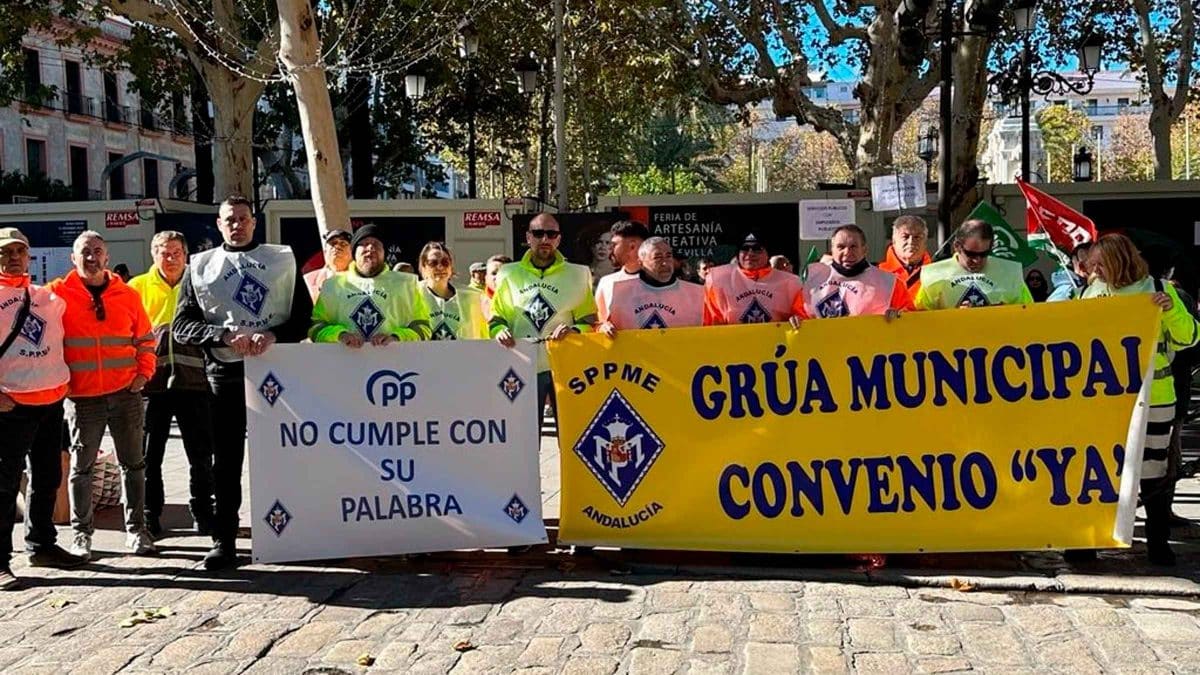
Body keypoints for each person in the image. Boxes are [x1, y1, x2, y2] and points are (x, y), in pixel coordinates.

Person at [173, 194, 312, 570]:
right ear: (219, 225)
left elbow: (303, 317)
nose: (236, 224)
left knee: (283, 456)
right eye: (229, 219)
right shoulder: (200, 267)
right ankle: (225, 540)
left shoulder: (281, 260)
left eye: (243, 218)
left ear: (254, 222)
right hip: (225, 374)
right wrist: (221, 335)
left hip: (277, 374)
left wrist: (275, 335)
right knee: (226, 462)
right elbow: (182, 325)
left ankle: (292, 534)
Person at [1082, 234, 1200, 565]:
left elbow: (1189, 337)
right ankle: (1087, 540)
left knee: (1152, 470)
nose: (1095, 269)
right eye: (1093, 264)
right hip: (1104, 398)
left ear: (1121, 260)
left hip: (1155, 397)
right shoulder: (1092, 291)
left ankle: (1157, 542)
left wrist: (1169, 312)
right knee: (1100, 469)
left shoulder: (1160, 289)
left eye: (1101, 263)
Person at [49, 231, 157, 559]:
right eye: (85, 252)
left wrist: (143, 374)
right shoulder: (57, 295)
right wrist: (61, 383)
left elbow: (145, 339)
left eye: (98, 251)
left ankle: (137, 530)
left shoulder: (127, 295)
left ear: (107, 258)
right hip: (82, 399)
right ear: (73, 258)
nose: (92, 257)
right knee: (82, 469)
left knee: (133, 465)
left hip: (126, 393)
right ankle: (82, 535)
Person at [0, 228, 88, 589]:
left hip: (51, 402)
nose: (13, 257)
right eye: (5, 252)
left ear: (29, 255)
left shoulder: (47, 297)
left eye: (19, 251)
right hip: (10, 405)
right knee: (3, 488)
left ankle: (42, 544)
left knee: (48, 477)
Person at [127, 231, 214, 537]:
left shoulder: (201, 285)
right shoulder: (136, 288)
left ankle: (204, 512)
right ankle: (150, 514)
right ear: (154, 255)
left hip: (195, 385)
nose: (171, 258)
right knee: (149, 457)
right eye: (165, 252)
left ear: (186, 255)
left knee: (201, 456)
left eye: (177, 252)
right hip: (152, 388)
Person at [491, 213, 597, 420]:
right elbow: (497, 318)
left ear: (559, 238)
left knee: (570, 433)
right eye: (538, 234)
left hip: (564, 367)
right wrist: (499, 331)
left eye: (551, 234)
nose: (545, 239)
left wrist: (574, 331)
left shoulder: (579, 274)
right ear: (528, 237)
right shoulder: (508, 273)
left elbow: (590, 321)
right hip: (521, 364)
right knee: (523, 436)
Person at [311, 225, 432, 345]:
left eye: (376, 244)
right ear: (354, 253)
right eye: (363, 243)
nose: (370, 248)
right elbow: (316, 327)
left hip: (393, 361)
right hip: (345, 361)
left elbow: (423, 327)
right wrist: (340, 335)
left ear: (384, 253)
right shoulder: (333, 285)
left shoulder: (406, 284)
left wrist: (396, 337)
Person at [799, 225, 913, 321]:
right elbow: (798, 314)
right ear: (832, 249)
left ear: (864, 250)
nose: (847, 253)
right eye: (841, 247)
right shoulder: (814, 278)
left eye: (853, 247)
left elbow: (911, 316)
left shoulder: (889, 283)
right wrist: (795, 319)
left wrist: (898, 316)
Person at [914, 220, 1034, 310]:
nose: (977, 260)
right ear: (957, 246)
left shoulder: (1010, 273)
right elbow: (919, 318)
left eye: (984, 254)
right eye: (971, 254)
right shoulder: (934, 275)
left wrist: (1001, 312)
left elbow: (1028, 313)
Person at [598, 237, 704, 336]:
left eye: (668, 256)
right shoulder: (619, 292)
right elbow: (598, 325)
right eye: (657, 257)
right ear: (641, 263)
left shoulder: (698, 294)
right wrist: (603, 328)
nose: (665, 263)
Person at [702, 233, 804, 325]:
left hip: (776, 343)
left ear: (767, 253)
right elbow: (710, 322)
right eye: (745, 248)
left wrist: (798, 320)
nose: (750, 253)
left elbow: (804, 317)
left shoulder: (790, 282)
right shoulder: (719, 280)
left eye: (757, 248)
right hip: (733, 343)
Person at [418, 243, 487, 341]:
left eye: (445, 262)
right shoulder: (413, 293)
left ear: (451, 267)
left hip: (463, 354)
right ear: (424, 267)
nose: (440, 267)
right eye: (433, 263)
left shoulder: (472, 297)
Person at [594, 220, 650, 324]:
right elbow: (599, 322)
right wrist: (603, 327)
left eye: (614, 245)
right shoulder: (606, 282)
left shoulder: (664, 282)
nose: (610, 251)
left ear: (632, 247)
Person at [878, 215, 931, 303]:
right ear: (894, 241)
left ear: (925, 242)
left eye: (917, 237)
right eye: (905, 237)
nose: (911, 242)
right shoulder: (878, 274)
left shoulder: (937, 273)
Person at [303, 229, 351, 301]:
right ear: (325, 252)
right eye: (333, 243)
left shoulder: (365, 280)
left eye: (343, 244)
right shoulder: (308, 281)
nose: (337, 247)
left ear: (352, 253)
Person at [481, 254, 511, 320]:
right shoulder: (476, 303)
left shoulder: (521, 301)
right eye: (494, 273)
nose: (497, 277)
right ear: (486, 278)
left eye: (502, 273)